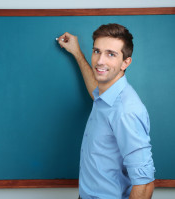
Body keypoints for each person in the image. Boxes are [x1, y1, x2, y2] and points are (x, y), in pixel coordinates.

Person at [57, 24, 155, 199]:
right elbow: (96, 89)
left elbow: (145, 184)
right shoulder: (106, 96)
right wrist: (77, 53)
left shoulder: (126, 110)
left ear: (126, 62)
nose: (100, 60)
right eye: (97, 51)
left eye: (111, 54)